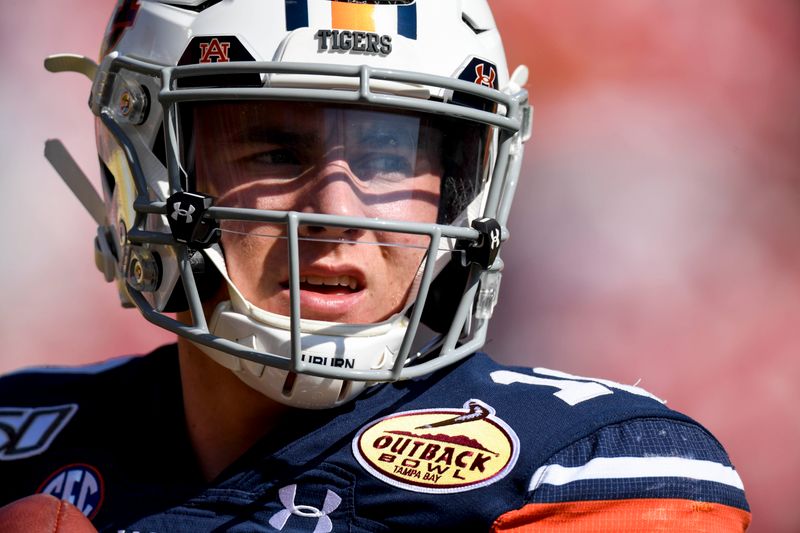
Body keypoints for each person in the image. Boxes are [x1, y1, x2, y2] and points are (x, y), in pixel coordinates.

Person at [0, 0, 751, 531]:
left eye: (390, 157)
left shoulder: (588, 466)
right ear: (148, 178)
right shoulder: (17, 433)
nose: (335, 209)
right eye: (274, 151)